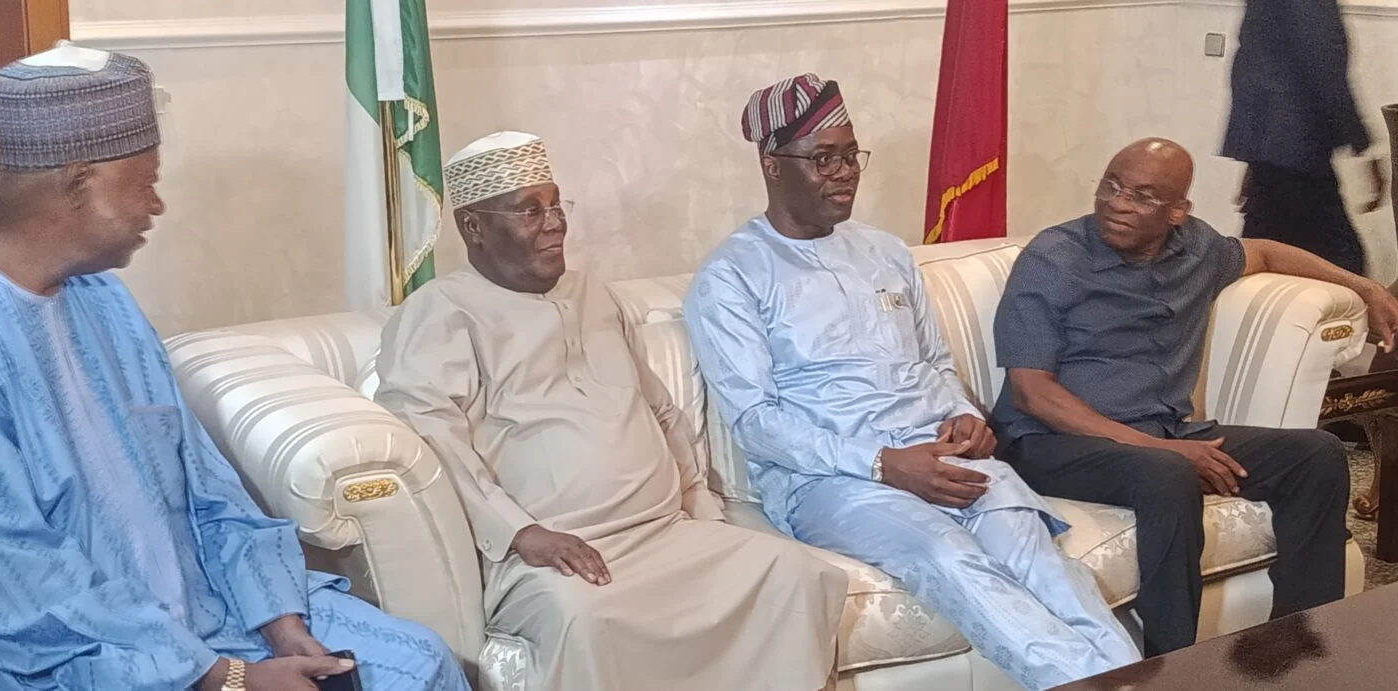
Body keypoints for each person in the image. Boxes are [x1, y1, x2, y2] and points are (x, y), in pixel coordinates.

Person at [0, 44, 468, 691]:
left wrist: (279, 619)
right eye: (144, 183)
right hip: (52, 659)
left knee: (418, 662)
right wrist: (226, 678)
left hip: (205, 611)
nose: (156, 206)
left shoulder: (103, 297)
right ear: (79, 183)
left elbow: (207, 485)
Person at [683, 74, 1139, 691]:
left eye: (851, 155)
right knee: (949, 557)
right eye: (823, 159)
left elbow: (935, 365)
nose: (845, 173)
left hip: (942, 454)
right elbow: (756, 423)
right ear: (771, 165)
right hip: (832, 482)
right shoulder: (731, 277)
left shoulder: (886, 252)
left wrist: (964, 416)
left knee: (1038, 557)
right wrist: (882, 465)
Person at [374, 131, 847, 691]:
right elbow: (434, 444)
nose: (555, 224)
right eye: (530, 211)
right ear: (474, 226)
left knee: (795, 574)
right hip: (556, 554)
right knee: (586, 620)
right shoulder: (439, 311)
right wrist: (522, 532)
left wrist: (700, 504)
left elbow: (660, 410)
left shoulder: (593, 293)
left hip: (668, 533)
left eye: (557, 206)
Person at [992, 137, 1398, 656]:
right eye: (1111, 186)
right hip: (1048, 443)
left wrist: (1366, 287)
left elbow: (1265, 251)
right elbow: (1032, 393)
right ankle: (1169, 665)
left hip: (1163, 430)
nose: (1118, 203)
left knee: (1315, 454)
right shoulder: (1054, 258)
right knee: (1168, 473)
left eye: (1143, 196)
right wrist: (1163, 450)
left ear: (1178, 212)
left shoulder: (1198, 249)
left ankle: (1300, 650)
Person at [1223, 0, 1386, 276]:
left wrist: (1256, 156)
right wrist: (1363, 147)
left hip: (1275, 147)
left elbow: (1252, 63)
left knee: (1261, 254)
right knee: (1344, 262)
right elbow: (1324, 66)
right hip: (1297, 148)